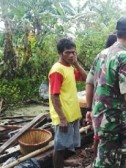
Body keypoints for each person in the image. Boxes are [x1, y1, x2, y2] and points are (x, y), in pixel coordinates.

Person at [92, 17, 126, 167]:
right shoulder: (124, 57)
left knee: (119, 156)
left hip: (101, 116)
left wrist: (90, 110)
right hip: (112, 121)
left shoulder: (102, 54)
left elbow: (90, 83)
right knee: (106, 162)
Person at [48, 38, 87, 168]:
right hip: (64, 116)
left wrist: (76, 63)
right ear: (60, 53)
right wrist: (62, 118)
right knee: (59, 148)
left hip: (72, 113)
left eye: (73, 52)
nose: (71, 55)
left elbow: (86, 78)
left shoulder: (69, 67)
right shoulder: (57, 70)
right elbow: (54, 96)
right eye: (68, 53)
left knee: (66, 146)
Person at [85, 34, 117, 158]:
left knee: (97, 136)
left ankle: (95, 159)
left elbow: (89, 83)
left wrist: (89, 108)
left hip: (97, 106)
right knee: (109, 142)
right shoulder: (119, 58)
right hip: (112, 111)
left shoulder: (99, 57)